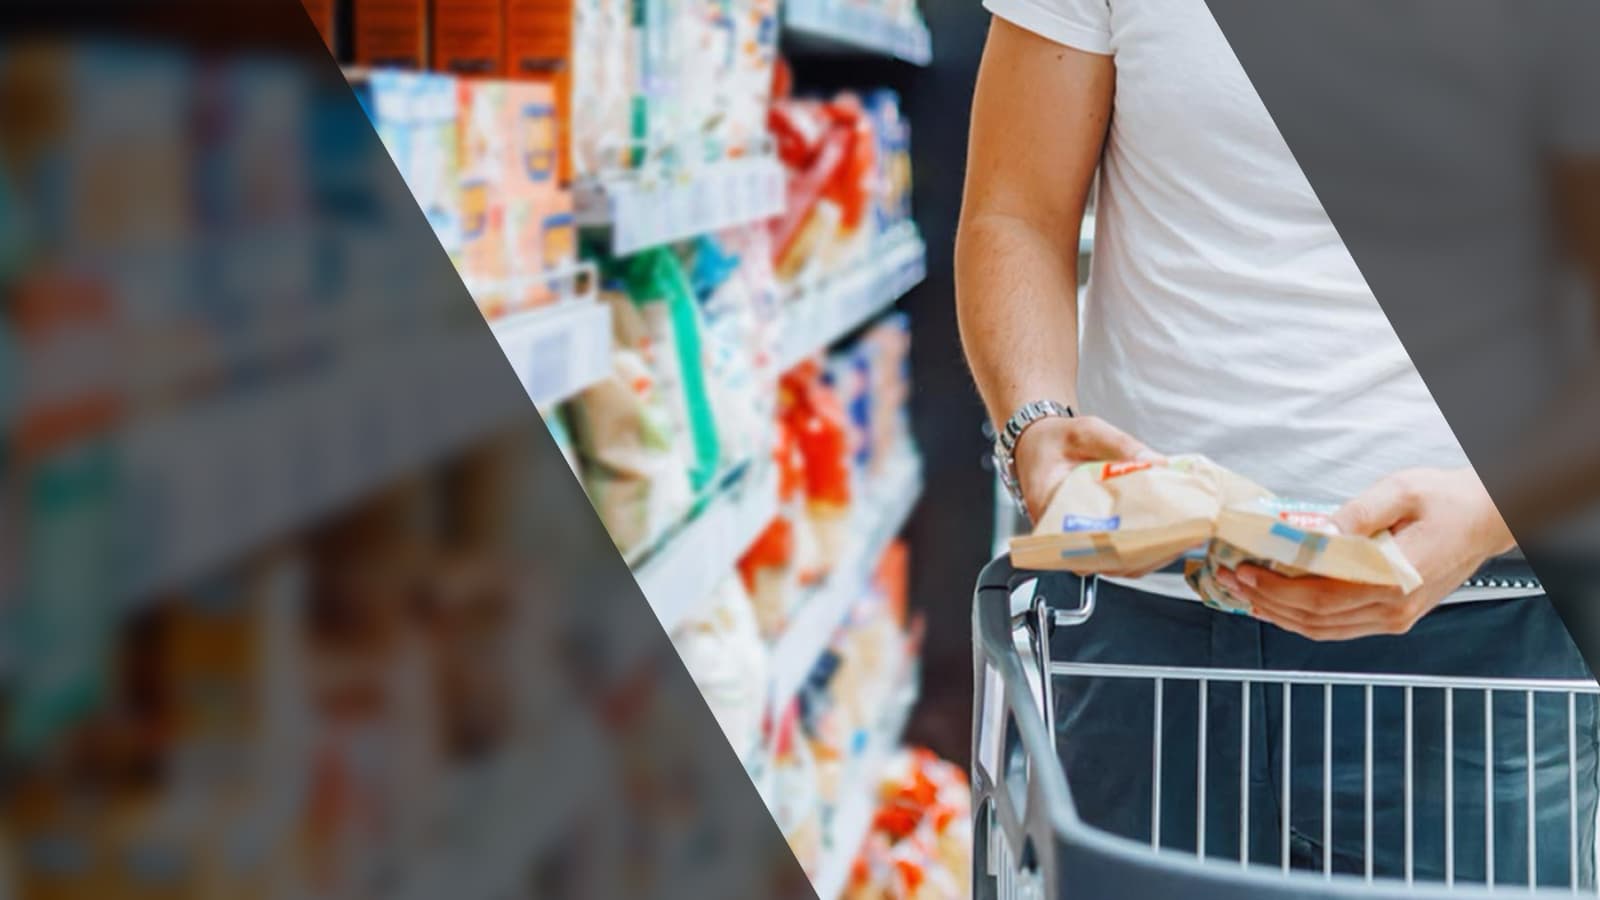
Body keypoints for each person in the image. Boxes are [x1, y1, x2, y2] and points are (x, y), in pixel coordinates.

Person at [956, 0, 1600, 885]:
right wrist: (1034, 424)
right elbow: (1014, 212)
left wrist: (1494, 512)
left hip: (1484, 648)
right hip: (1149, 628)